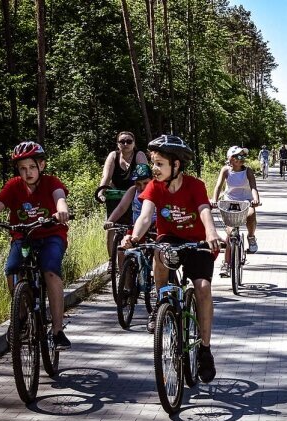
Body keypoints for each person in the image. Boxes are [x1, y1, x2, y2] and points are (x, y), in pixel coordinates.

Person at [121, 135, 221, 383]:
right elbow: (145, 217)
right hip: (171, 239)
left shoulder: (195, 185)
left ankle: (205, 350)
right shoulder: (154, 187)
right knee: (159, 250)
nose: (154, 169)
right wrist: (133, 237)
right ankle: (161, 302)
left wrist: (211, 233)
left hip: (197, 241)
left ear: (176, 165)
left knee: (203, 288)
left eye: (159, 164)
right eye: (153, 163)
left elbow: (204, 211)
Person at [0, 141, 72, 349]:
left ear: (41, 166)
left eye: (32, 167)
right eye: (22, 168)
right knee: (11, 269)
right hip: (23, 237)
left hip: (51, 235)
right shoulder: (13, 185)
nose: (28, 173)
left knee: (51, 271)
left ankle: (57, 330)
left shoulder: (52, 182)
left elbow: (59, 197)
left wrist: (62, 210)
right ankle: (22, 317)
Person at [98, 131, 149, 270]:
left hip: (135, 190)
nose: (125, 144)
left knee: (136, 222)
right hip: (116, 194)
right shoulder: (113, 156)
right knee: (112, 225)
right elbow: (106, 176)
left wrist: (142, 190)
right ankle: (111, 260)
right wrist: (101, 191)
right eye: (122, 141)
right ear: (118, 144)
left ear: (134, 143)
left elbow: (143, 175)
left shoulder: (139, 155)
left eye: (129, 141)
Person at [212, 146, 261, 278]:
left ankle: (251, 237)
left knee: (250, 214)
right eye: (239, 156)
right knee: (230, 233)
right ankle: (227, 264)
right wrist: (214, 200)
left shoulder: (248, 171)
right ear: (231, 159)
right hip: (229, 202)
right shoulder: (226, 170)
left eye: (243, 157)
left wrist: (255, 199)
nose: (242, 159)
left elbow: (253, 187)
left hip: (245, 201)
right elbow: (218, 186)